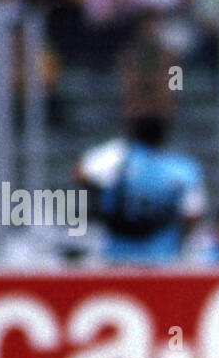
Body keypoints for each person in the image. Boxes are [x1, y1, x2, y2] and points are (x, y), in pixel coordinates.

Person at [74, 114, 206, 265]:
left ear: (134, 133)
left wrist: (101, 191)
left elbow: (78, 173)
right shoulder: (183, 168)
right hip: (163, 252)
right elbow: (192, 214)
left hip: (119, 251)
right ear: (163, 137)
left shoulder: (117, 156)